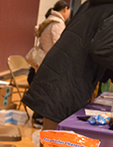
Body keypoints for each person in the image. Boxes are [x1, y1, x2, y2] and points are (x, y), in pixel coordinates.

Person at [23, 0, 113, 131]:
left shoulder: (93, 4)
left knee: (54, 138)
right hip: (68, 80)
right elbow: (101, 50)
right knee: (56, 142)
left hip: (61, 74)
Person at [28, 0, 70, 127]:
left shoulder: (49, 20)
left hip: (41, 62)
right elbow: (60, 46)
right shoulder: (58, 24)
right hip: (50, 64)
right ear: (65, 9)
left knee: (42, 90)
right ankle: (40, 118)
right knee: (47, 92)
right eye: (68, 11)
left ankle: (38, 117)